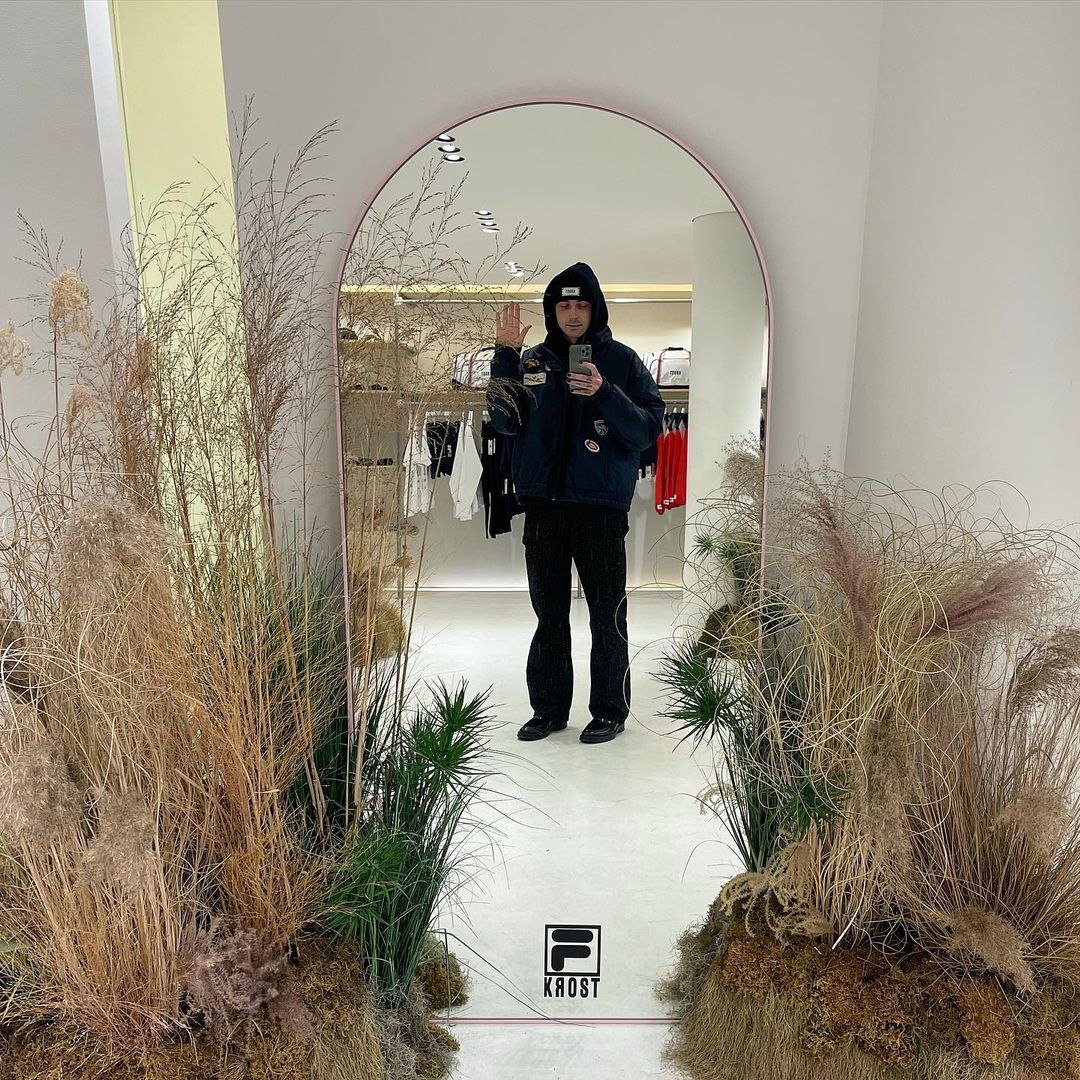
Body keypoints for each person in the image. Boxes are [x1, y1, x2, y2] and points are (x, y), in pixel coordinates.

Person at [487, 263, 664, 744]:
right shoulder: (530, 363)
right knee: (549, 614)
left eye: (581, 304)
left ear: (595, 309)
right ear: (552, 310)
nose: (572, 314)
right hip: (544, 507)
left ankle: (609, 710)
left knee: (607, 615)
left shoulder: (623, 362)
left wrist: (605, 393)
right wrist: (505, 356)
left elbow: (648, 431)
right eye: (564, 305)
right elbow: (504, 423)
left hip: (600, 508)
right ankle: (548, 710)